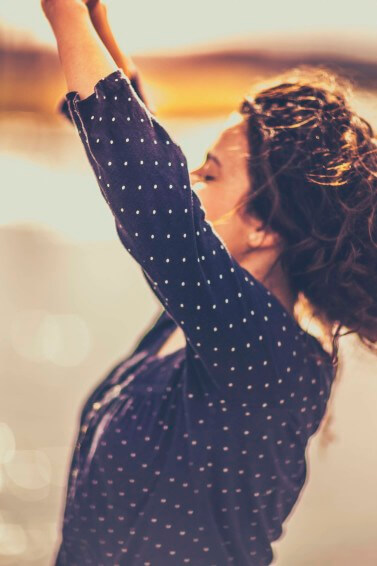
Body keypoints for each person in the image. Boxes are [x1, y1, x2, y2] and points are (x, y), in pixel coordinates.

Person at [41, 1, 377, 564]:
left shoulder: (270, 356)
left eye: (210, 173)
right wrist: (94, 22)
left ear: (265, 227)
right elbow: (150, 171)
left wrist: (62, 15)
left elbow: (158, 203)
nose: (190, 182)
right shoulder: (207, 316)